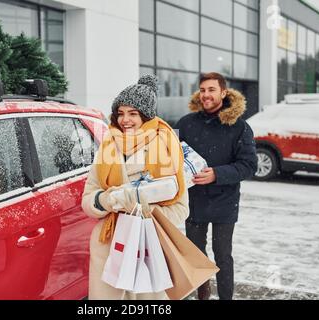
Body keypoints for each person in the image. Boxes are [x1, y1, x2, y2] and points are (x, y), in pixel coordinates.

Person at [82, 74, 189, 300]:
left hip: (149, 246)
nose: (125, 120)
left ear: (146, 116)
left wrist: (147, 212)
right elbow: (88, 198)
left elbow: (181, 208)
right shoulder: (107, 147)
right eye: (120, 113)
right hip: (109, 244)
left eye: (133, 113)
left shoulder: (166, 148)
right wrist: (108, 200)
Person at [174, 72, 257, 300]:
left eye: (211, 90)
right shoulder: (185, 123)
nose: (206, 95)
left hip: (225, 201)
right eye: (202, 90)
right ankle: (203, 294)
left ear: (223, 92)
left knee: (222, 255)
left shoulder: (240, 127)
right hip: (195, 201)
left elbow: (249, 165)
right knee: (196, 255)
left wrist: (217, 174)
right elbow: (168, 153)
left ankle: (226, 297)